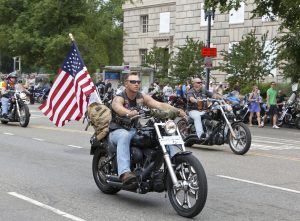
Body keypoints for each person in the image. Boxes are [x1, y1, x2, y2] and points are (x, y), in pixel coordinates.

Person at [109, 72, 186, 185]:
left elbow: (159, 105)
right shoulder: (120, 97)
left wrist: (176, 110)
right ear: (126, 84)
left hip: (134, 129)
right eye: (133, 81)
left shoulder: (141, 97)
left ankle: (175, 165)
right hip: (118, 130)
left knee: (158, 133)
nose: (136, 84)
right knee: (124, 136)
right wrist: (128, 113)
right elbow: (117, 107)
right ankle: (124, 173)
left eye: (138, 82)